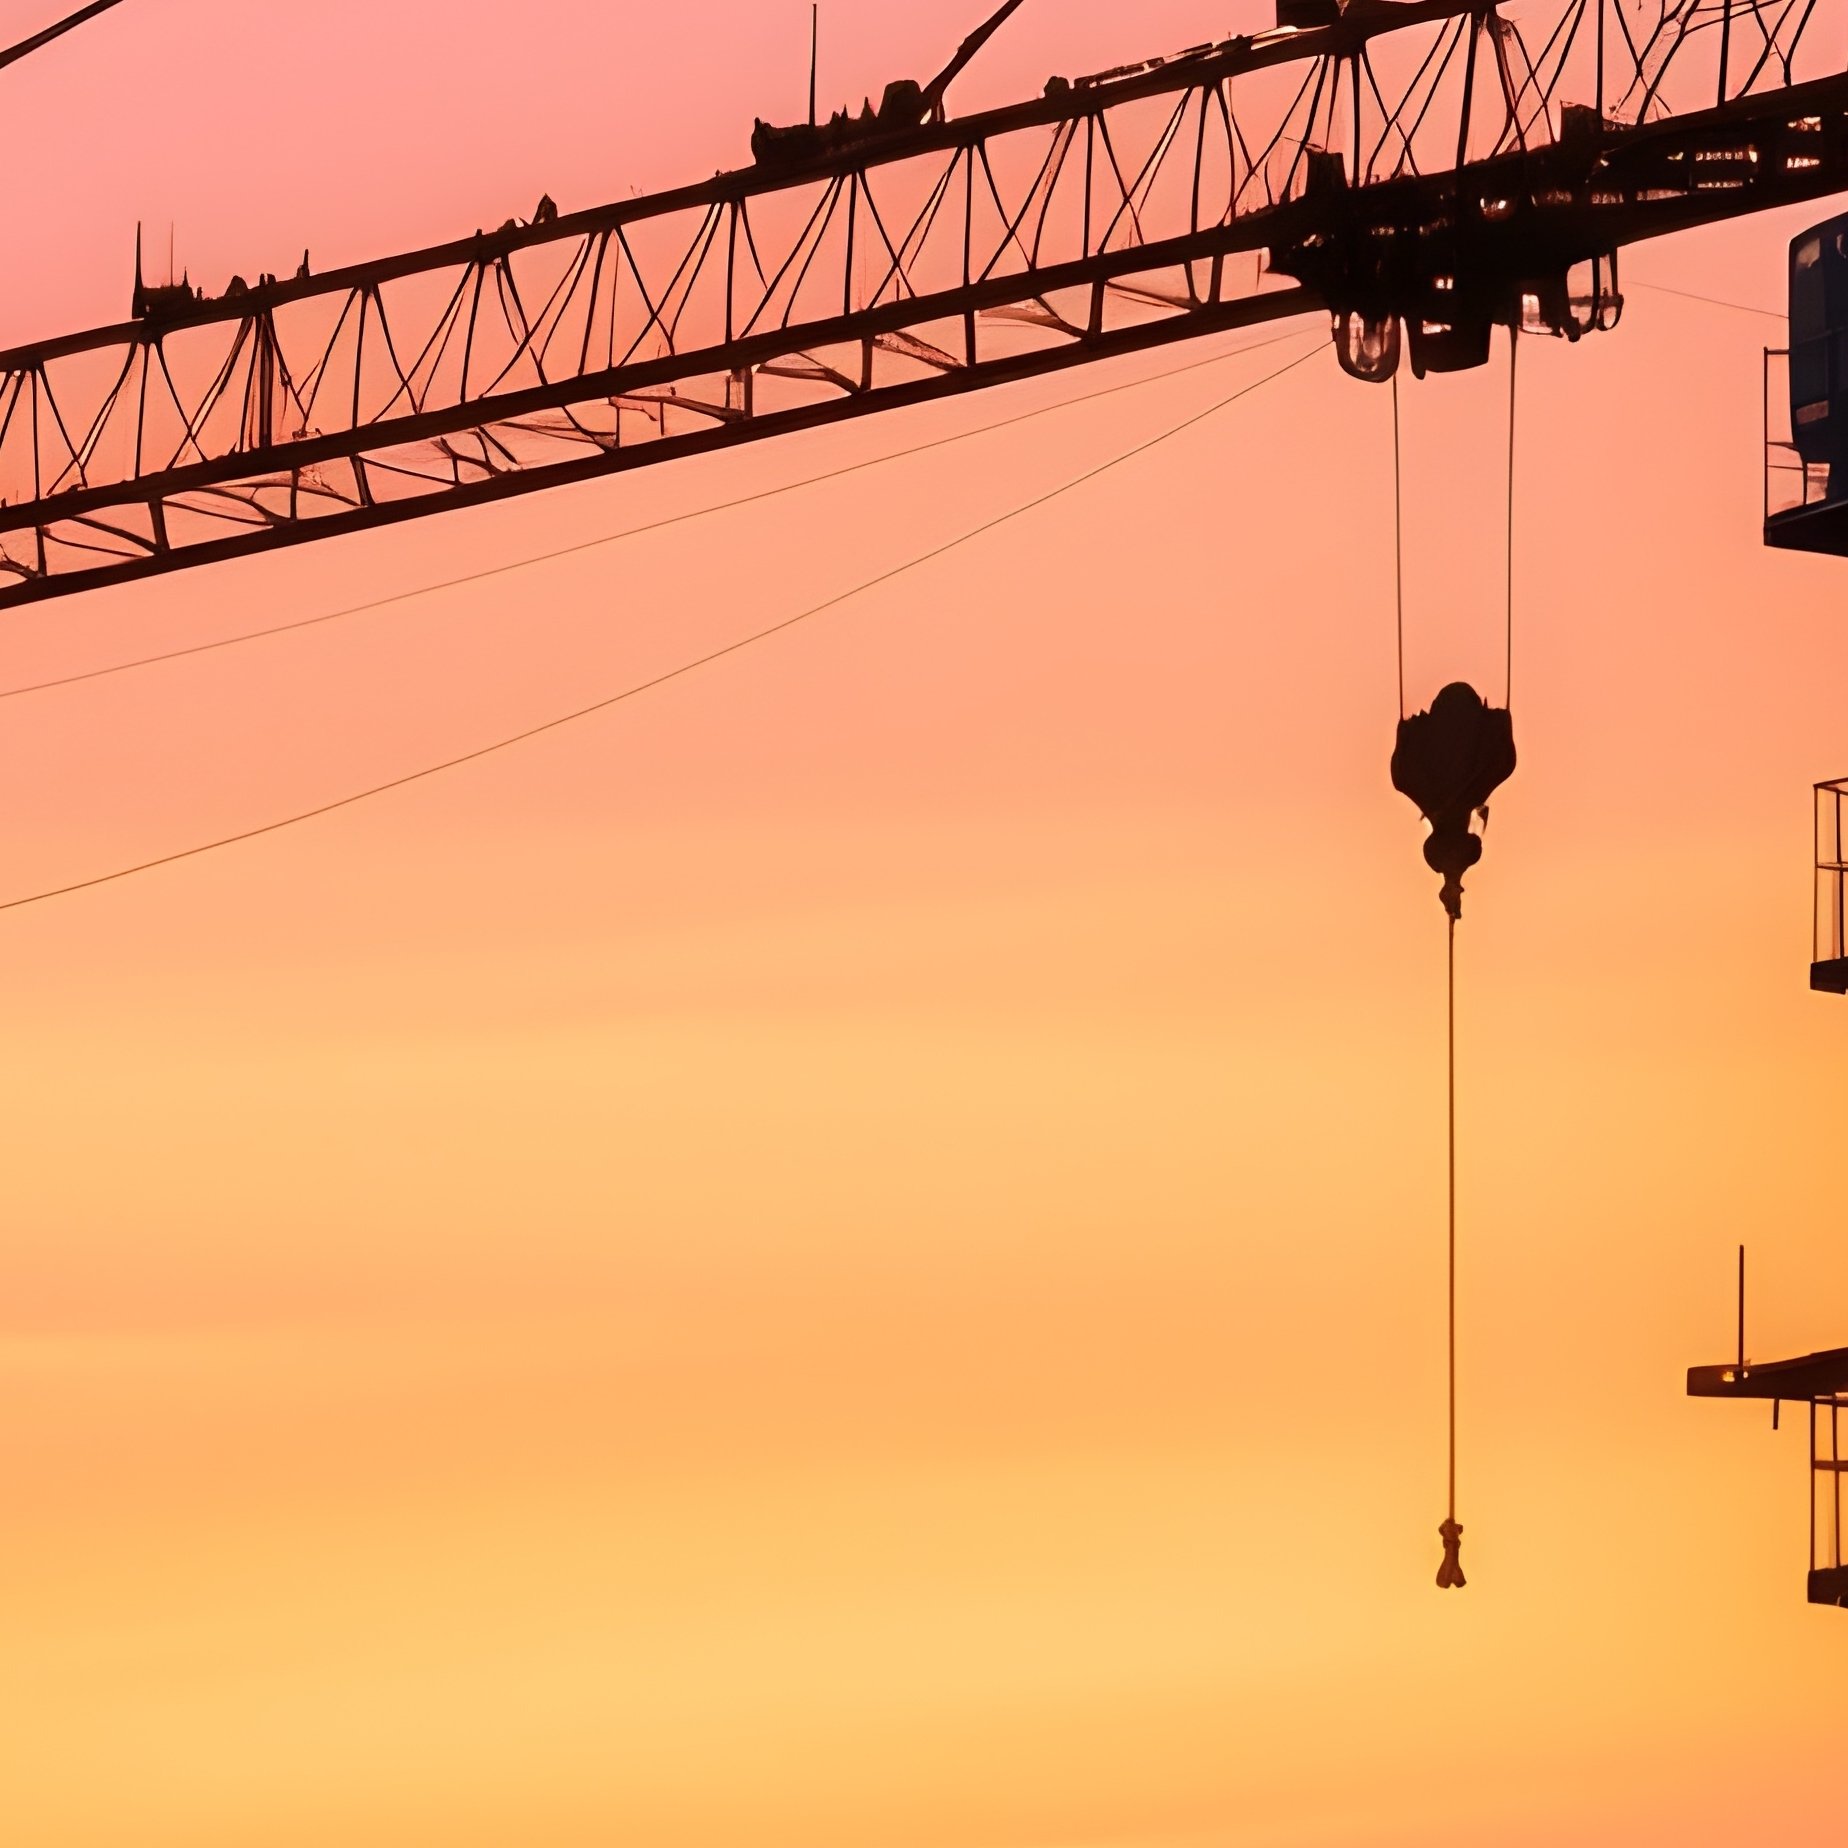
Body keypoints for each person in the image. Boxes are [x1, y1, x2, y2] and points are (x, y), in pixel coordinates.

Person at [1391, 681, 1516, 921]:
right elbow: (1462, 844)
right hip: (1455, 782)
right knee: (1503, 764)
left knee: (1503, 764)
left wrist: (1453, 880)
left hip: (1448, 783)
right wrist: (1452, 881)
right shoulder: (1444, 852)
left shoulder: (1448, 850)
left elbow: (1463, 844)